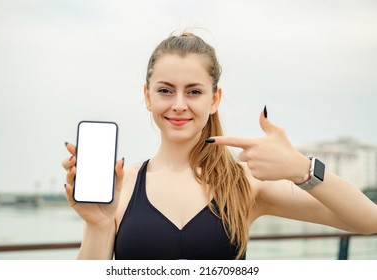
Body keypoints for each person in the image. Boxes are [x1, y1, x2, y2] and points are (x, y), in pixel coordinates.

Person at [61, 32, 377, 260]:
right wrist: (99, 224)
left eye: (194, 92)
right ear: (148, 96)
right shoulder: (122, 185)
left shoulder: (245, 183)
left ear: (215, 99)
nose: (179, 105)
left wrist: (301, 169)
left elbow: (369, 221)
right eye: (166, 91)